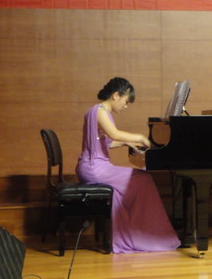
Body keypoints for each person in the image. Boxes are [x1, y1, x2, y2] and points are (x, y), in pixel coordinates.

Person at [76, 77, 180, 254]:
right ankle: (144, 233)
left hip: (90, 166)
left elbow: (107, 143)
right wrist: (140, 138)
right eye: (125, 101)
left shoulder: (96, 111)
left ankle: (139, 229)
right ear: (116, 95)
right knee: (144, 180)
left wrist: (126, 143)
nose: (125, 106)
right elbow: (114, 134)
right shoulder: (100, 111)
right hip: (95, 169)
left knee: (141, 178)